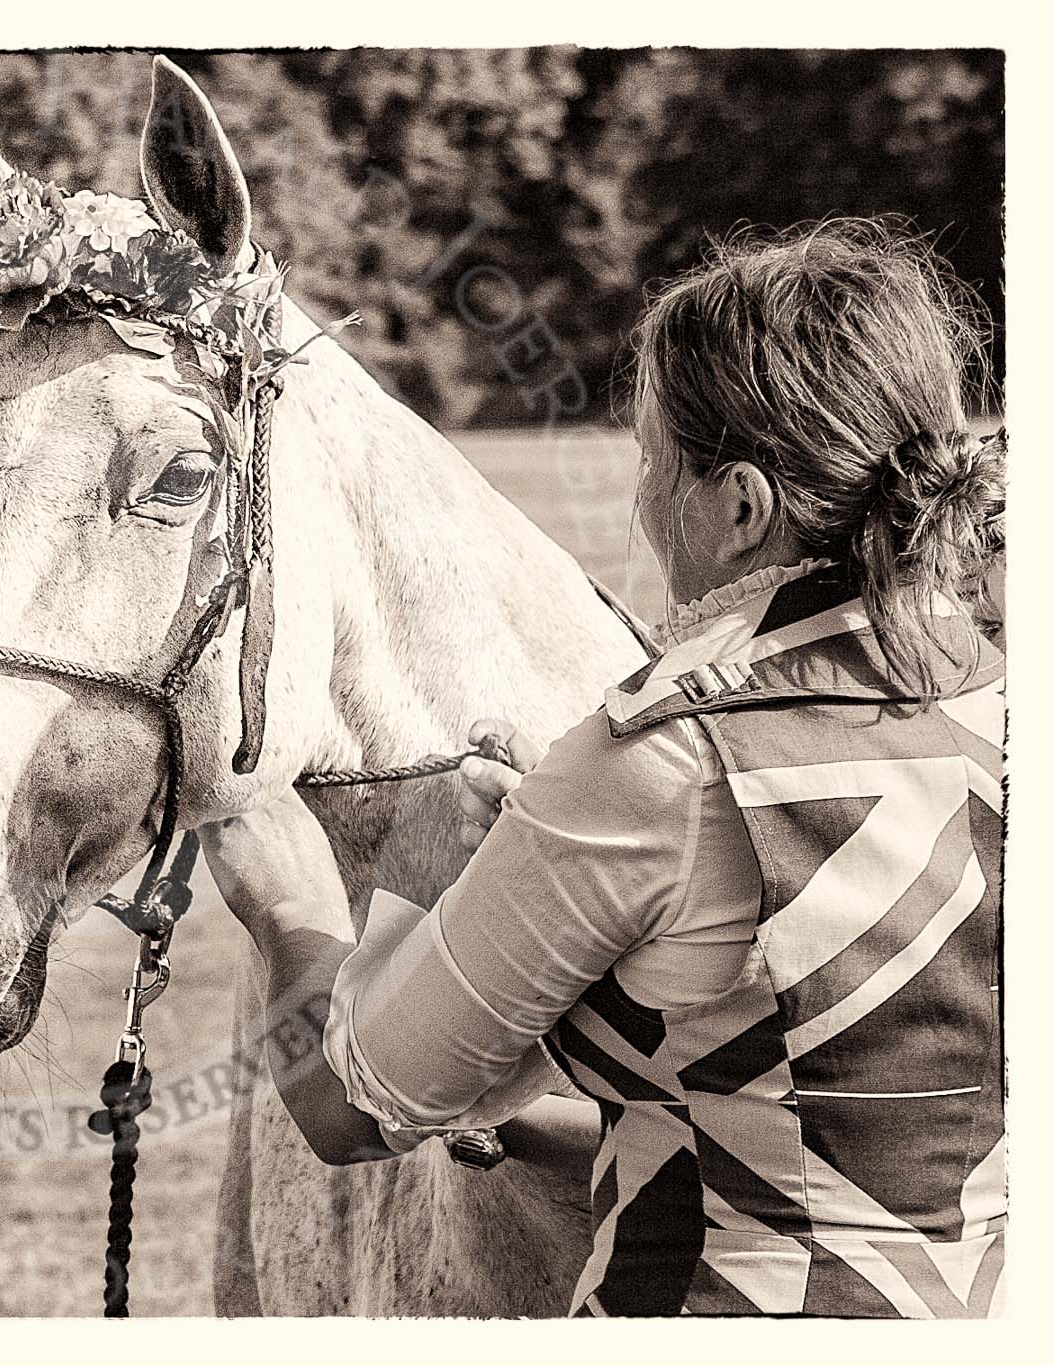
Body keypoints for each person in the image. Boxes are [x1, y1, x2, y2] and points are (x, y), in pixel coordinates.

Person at [200, 220, 1006, 1318]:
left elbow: (352, 1104)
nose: (638, 505)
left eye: (650, 463)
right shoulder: (1001, 706)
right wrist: (511, 1109)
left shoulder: (661, 760)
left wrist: (284, 899)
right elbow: (815, 1118)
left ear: (737, 509)